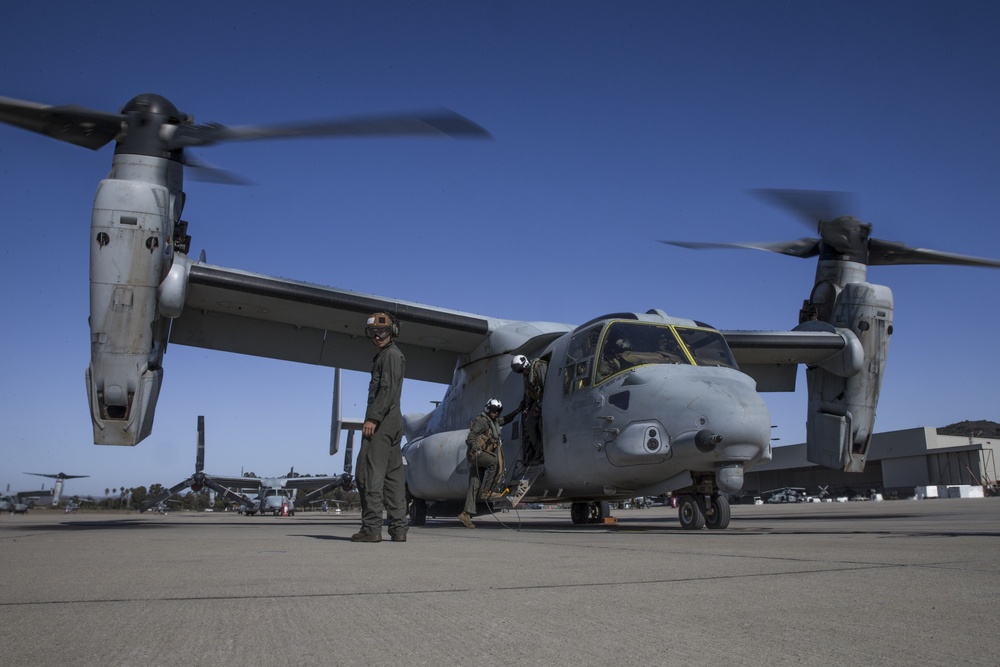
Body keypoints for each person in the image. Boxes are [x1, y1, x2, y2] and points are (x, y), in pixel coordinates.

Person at [351, 312, 408, 543]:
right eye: (373, 333)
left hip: (383, 423)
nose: (377, 337)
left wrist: (373, 418)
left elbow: (386, 391)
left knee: (368, 474)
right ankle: (399, 529)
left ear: (392, 332)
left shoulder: (390, 357)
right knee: (393, 478)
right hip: (393, 422)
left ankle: (372, 528)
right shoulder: (389, 355)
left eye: (382, 332)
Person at [458, 398, 516, 529]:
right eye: (494, 411)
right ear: (488, 409)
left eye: (498, 411)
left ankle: (465, 514)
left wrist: (518, 410)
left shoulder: (493, 422)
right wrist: (475, 448)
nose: (496, 413)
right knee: (495, 461)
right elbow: (471, 436)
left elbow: (506, 419)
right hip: (477, 454)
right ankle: (488, 490)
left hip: (480, 455)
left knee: (474, 484)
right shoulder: (482, 422)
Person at [510, 354, 547, 465]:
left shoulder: (539, 367)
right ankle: (539, 452)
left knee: (541, 424)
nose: (521, 371)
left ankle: (542, 453)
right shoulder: (526, 374)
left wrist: (539, 407)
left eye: (520, 369)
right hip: (537, 401)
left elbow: (545, 387)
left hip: (544, 400)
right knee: (529, 423)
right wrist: (526, 406)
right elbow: (529, 393)